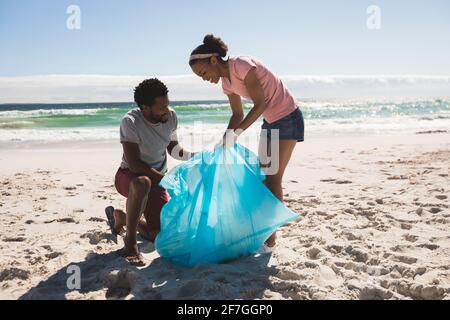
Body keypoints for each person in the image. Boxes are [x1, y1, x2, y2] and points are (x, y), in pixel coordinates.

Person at [189, 35, 304, 248]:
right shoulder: (226, 85)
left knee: (273, 179)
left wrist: (237, 134)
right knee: (263, 177)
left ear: (214, 60)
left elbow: (260, 104)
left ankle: (270, 239)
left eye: (203, 72)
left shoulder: (241, 64)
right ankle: (268, 234)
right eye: (200, 77)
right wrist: (225, 140)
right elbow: (236, 114)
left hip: (288, 117)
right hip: (271, 121)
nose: (204, 78)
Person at [107, 78, 194, 266]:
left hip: (158, 181)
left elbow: (173, 149)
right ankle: (130, 243)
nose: (167, 110)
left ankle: (124, 217)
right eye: (161, 107)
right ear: (145, 107)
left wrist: (194, 156)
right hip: (128, 178)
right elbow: (135, 164)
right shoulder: (130, 121)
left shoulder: (170, 116)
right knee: (142, 182)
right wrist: (165, 178)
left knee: (159, 235)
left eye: (167, 104)